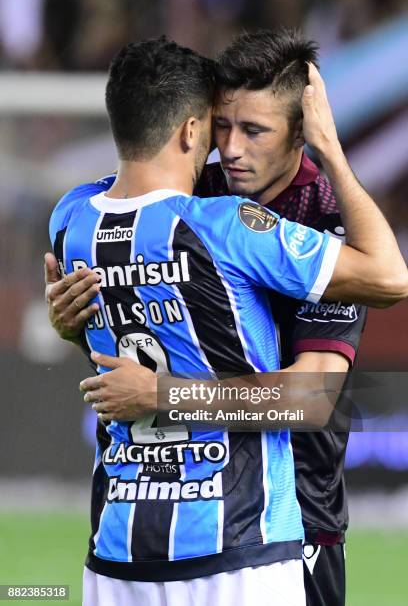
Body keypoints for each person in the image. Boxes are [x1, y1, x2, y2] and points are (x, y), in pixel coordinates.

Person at [47, 35, 408, 606]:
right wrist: (80, 330)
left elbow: (312, 399)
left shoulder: (326, 220)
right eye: (223, 126)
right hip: (145, 533)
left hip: (294, 521)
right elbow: (140, 353)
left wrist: (334, 152)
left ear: (300, 132)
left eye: (255, 131)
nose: (232, 149)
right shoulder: (199, 195)